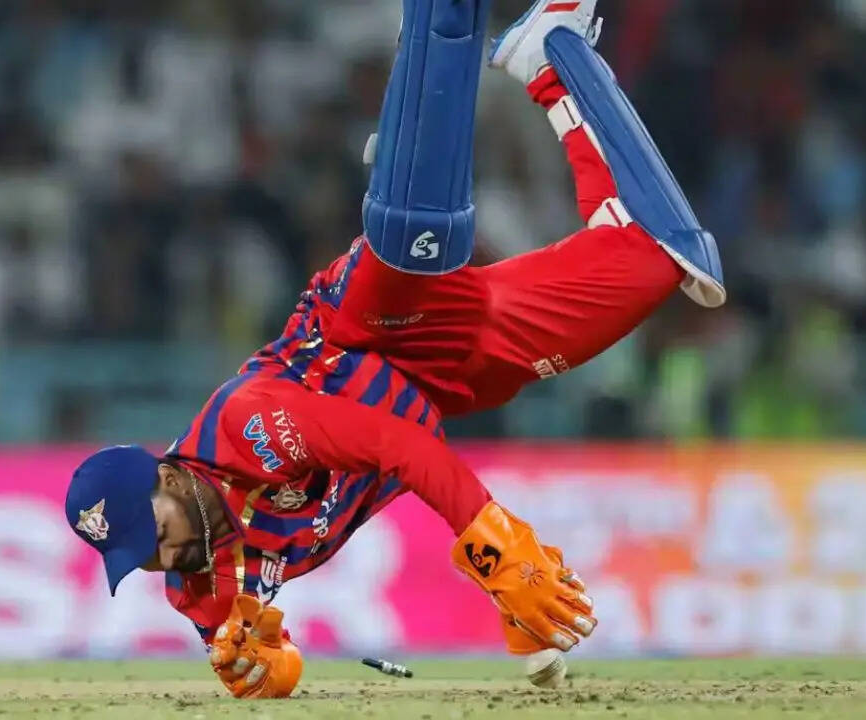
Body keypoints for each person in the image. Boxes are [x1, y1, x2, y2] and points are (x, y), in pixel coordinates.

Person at [64, 0, 724, 699]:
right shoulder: (196, 589)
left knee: (416, 234)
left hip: (367, 327)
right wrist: (261, 670)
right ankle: (550, 53)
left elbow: (396, 446)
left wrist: (497, 551)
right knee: (662, 258)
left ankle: (435, 43)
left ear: (168, 480)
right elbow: (268, 668)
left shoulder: (247, 429)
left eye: (152, 534)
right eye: (138, 557)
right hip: (449, 373)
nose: (160, 558)